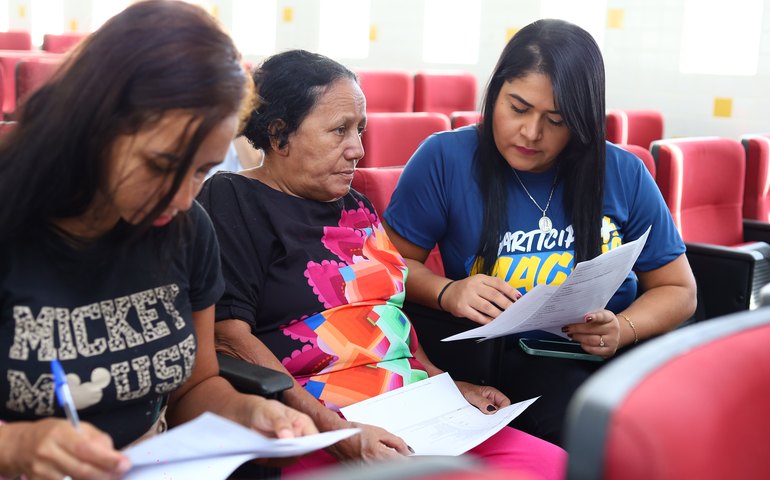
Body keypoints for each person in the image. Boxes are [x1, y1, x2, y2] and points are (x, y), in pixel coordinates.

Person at [198, 49, 566, 479]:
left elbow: (388, 314)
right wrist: (338, 432)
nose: (357, 149)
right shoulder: (233, 200)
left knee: (553, 466)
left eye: (360, 129)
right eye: (339, 131)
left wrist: (444, 385)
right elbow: (227, 335)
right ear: (279, 134)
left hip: (410, 408)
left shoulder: (356, 205)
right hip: (315, 417)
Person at [0, 2, 317, 479]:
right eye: (161, 166)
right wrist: (17, 442)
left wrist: (250, 414)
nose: (185, 198)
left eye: (202, 172)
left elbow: (194, 388)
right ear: (92, 124)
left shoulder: (187, 231)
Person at [382, 19, 698, 445]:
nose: (531, 133)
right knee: (597, 434)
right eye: (517, 108)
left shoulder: (621, 171)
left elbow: (679, 289)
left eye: (556, 119)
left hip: (607, 356)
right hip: (505, 359)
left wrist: (623, 328)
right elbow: (388, 268)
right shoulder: (446, 158)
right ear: (495, 94)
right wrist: (447, 291)